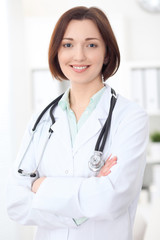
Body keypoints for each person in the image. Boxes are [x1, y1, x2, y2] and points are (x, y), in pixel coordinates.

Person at [7, 6, 148, 240]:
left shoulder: (131, 117)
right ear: (57, 52)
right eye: (68, 44)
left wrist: (40, 187)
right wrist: (86, 199)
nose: (79, 56)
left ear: (107, 53)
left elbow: (111, 200)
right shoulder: (41, 121)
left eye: (91, 44)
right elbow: (14, 201)